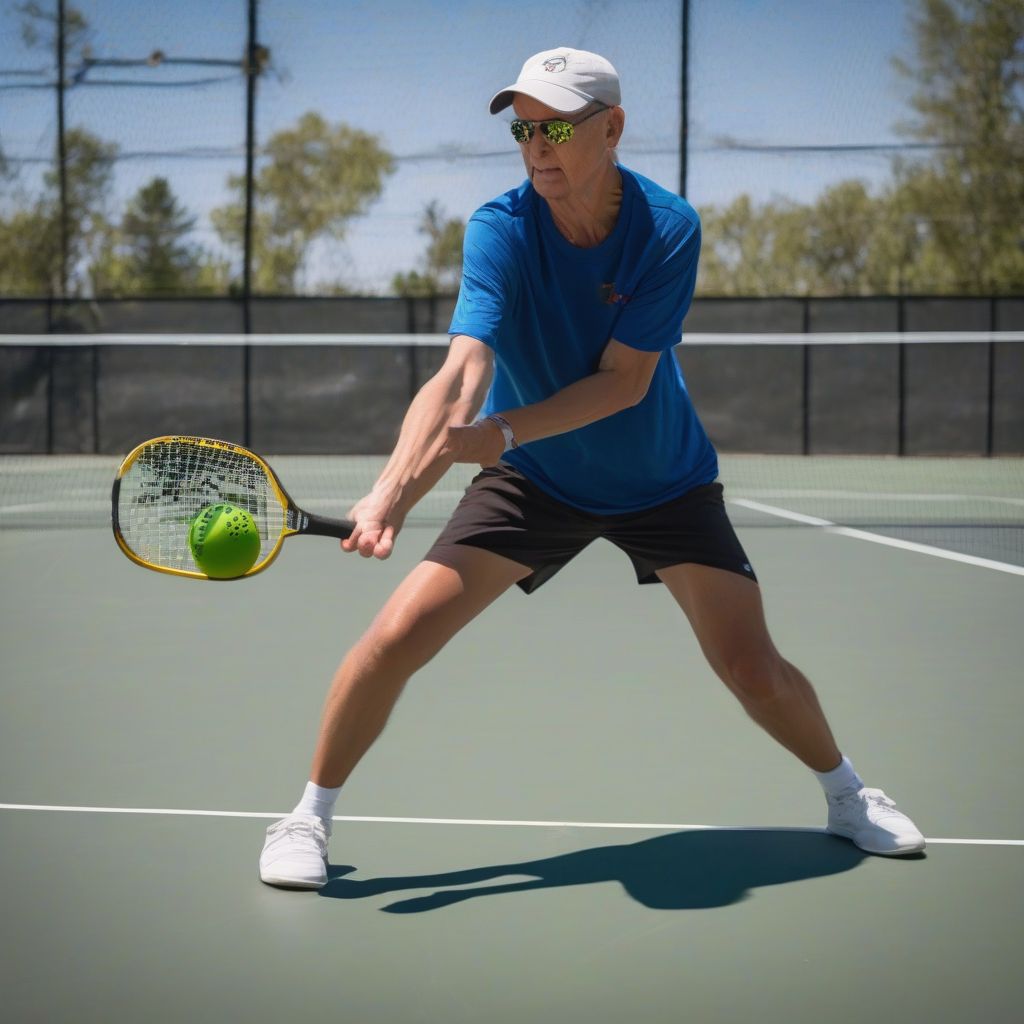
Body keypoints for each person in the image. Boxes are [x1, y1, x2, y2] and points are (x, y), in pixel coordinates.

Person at [258, 47, 925, 889]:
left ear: (611, 128)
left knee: (752, 667)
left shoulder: (666, 226)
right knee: (394, 638)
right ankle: (305, 818)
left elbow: (624, 382)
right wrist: (390, 494)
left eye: (557, 127)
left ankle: (847, 795)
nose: (537, 145)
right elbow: (462, 369)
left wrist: (497, 432)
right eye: (524, 128)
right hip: (538, 479)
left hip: (663, 480)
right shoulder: (499, 229)